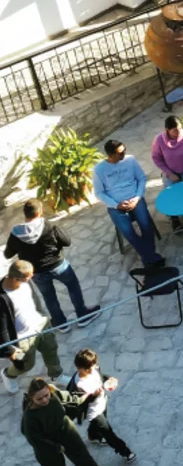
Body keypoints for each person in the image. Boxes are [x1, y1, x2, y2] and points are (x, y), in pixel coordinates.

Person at [5, 199, 99, 333]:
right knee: (73, 287)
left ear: (25, 214)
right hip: (58, 265)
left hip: (36, 272)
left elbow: (8, 254)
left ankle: (61, 324)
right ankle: (83, 315)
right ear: (39, 212)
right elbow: (67, 241)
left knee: (49, 297)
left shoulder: (16, 233)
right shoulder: (49, 226)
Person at [21, 378, 122, 466]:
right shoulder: (30, 417)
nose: (45, 400)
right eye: (39, 398)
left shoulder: (54, 394)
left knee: (84, 458)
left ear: (49, 390)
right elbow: (34, 439)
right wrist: (54, 447)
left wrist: (88, 396)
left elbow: (70, 398)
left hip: (65, 430)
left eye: (46, 395)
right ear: (32, 398)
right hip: (46, 441)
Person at [93, 139, 164, 266]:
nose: (124, 154)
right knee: (128, 231)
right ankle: (151, 257)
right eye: (120, 153)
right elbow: (99, 193)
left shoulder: (130, 160)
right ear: (111, 155)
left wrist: (137, 198)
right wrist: (116, 204)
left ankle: (149, 258)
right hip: (116, 205)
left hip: (135, 198)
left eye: (124, 151)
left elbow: (141, 178)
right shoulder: (99, 170)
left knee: (146, 226)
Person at [1, 261, 67, 393]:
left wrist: (43, 315)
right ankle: (8, 374)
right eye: (28, 277)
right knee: (26, 365)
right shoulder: (2, 298)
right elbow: (1, 328)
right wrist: (10, 350)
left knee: (51, 350)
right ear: (16, 278)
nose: (32, 278)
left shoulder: (26, 282)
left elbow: (35, 298)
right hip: (22, 338)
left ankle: (56, 375)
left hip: (40, 325)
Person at [67, 348, 134, 462]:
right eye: (90, 368)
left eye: (94, 365)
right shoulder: (78, 384)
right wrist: (93, 395)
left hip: (102, 402)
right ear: (81, 368)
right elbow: (79, 402)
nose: (94, 369)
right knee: (108, 433)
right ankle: (124, 451)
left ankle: (93, 436)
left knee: (98, 426)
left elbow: (101, 376)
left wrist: (109, 379)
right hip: (93, 413)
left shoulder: (93, 368)